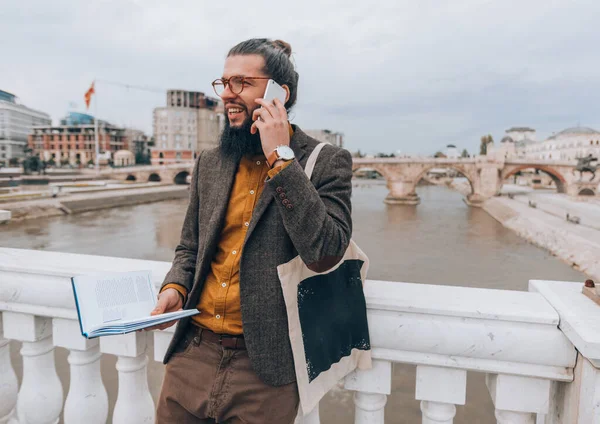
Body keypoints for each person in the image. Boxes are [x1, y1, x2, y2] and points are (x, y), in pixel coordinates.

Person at [151, 38, 353, 424]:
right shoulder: (211, 161)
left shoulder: (327, 161)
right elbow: (189, 248)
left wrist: (281, 158)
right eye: (223, 83)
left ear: (280, 92)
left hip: (265, 369)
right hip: (192, 354)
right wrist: (174, 288)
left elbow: (326, 253)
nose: (227, 94)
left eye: (241, 83)